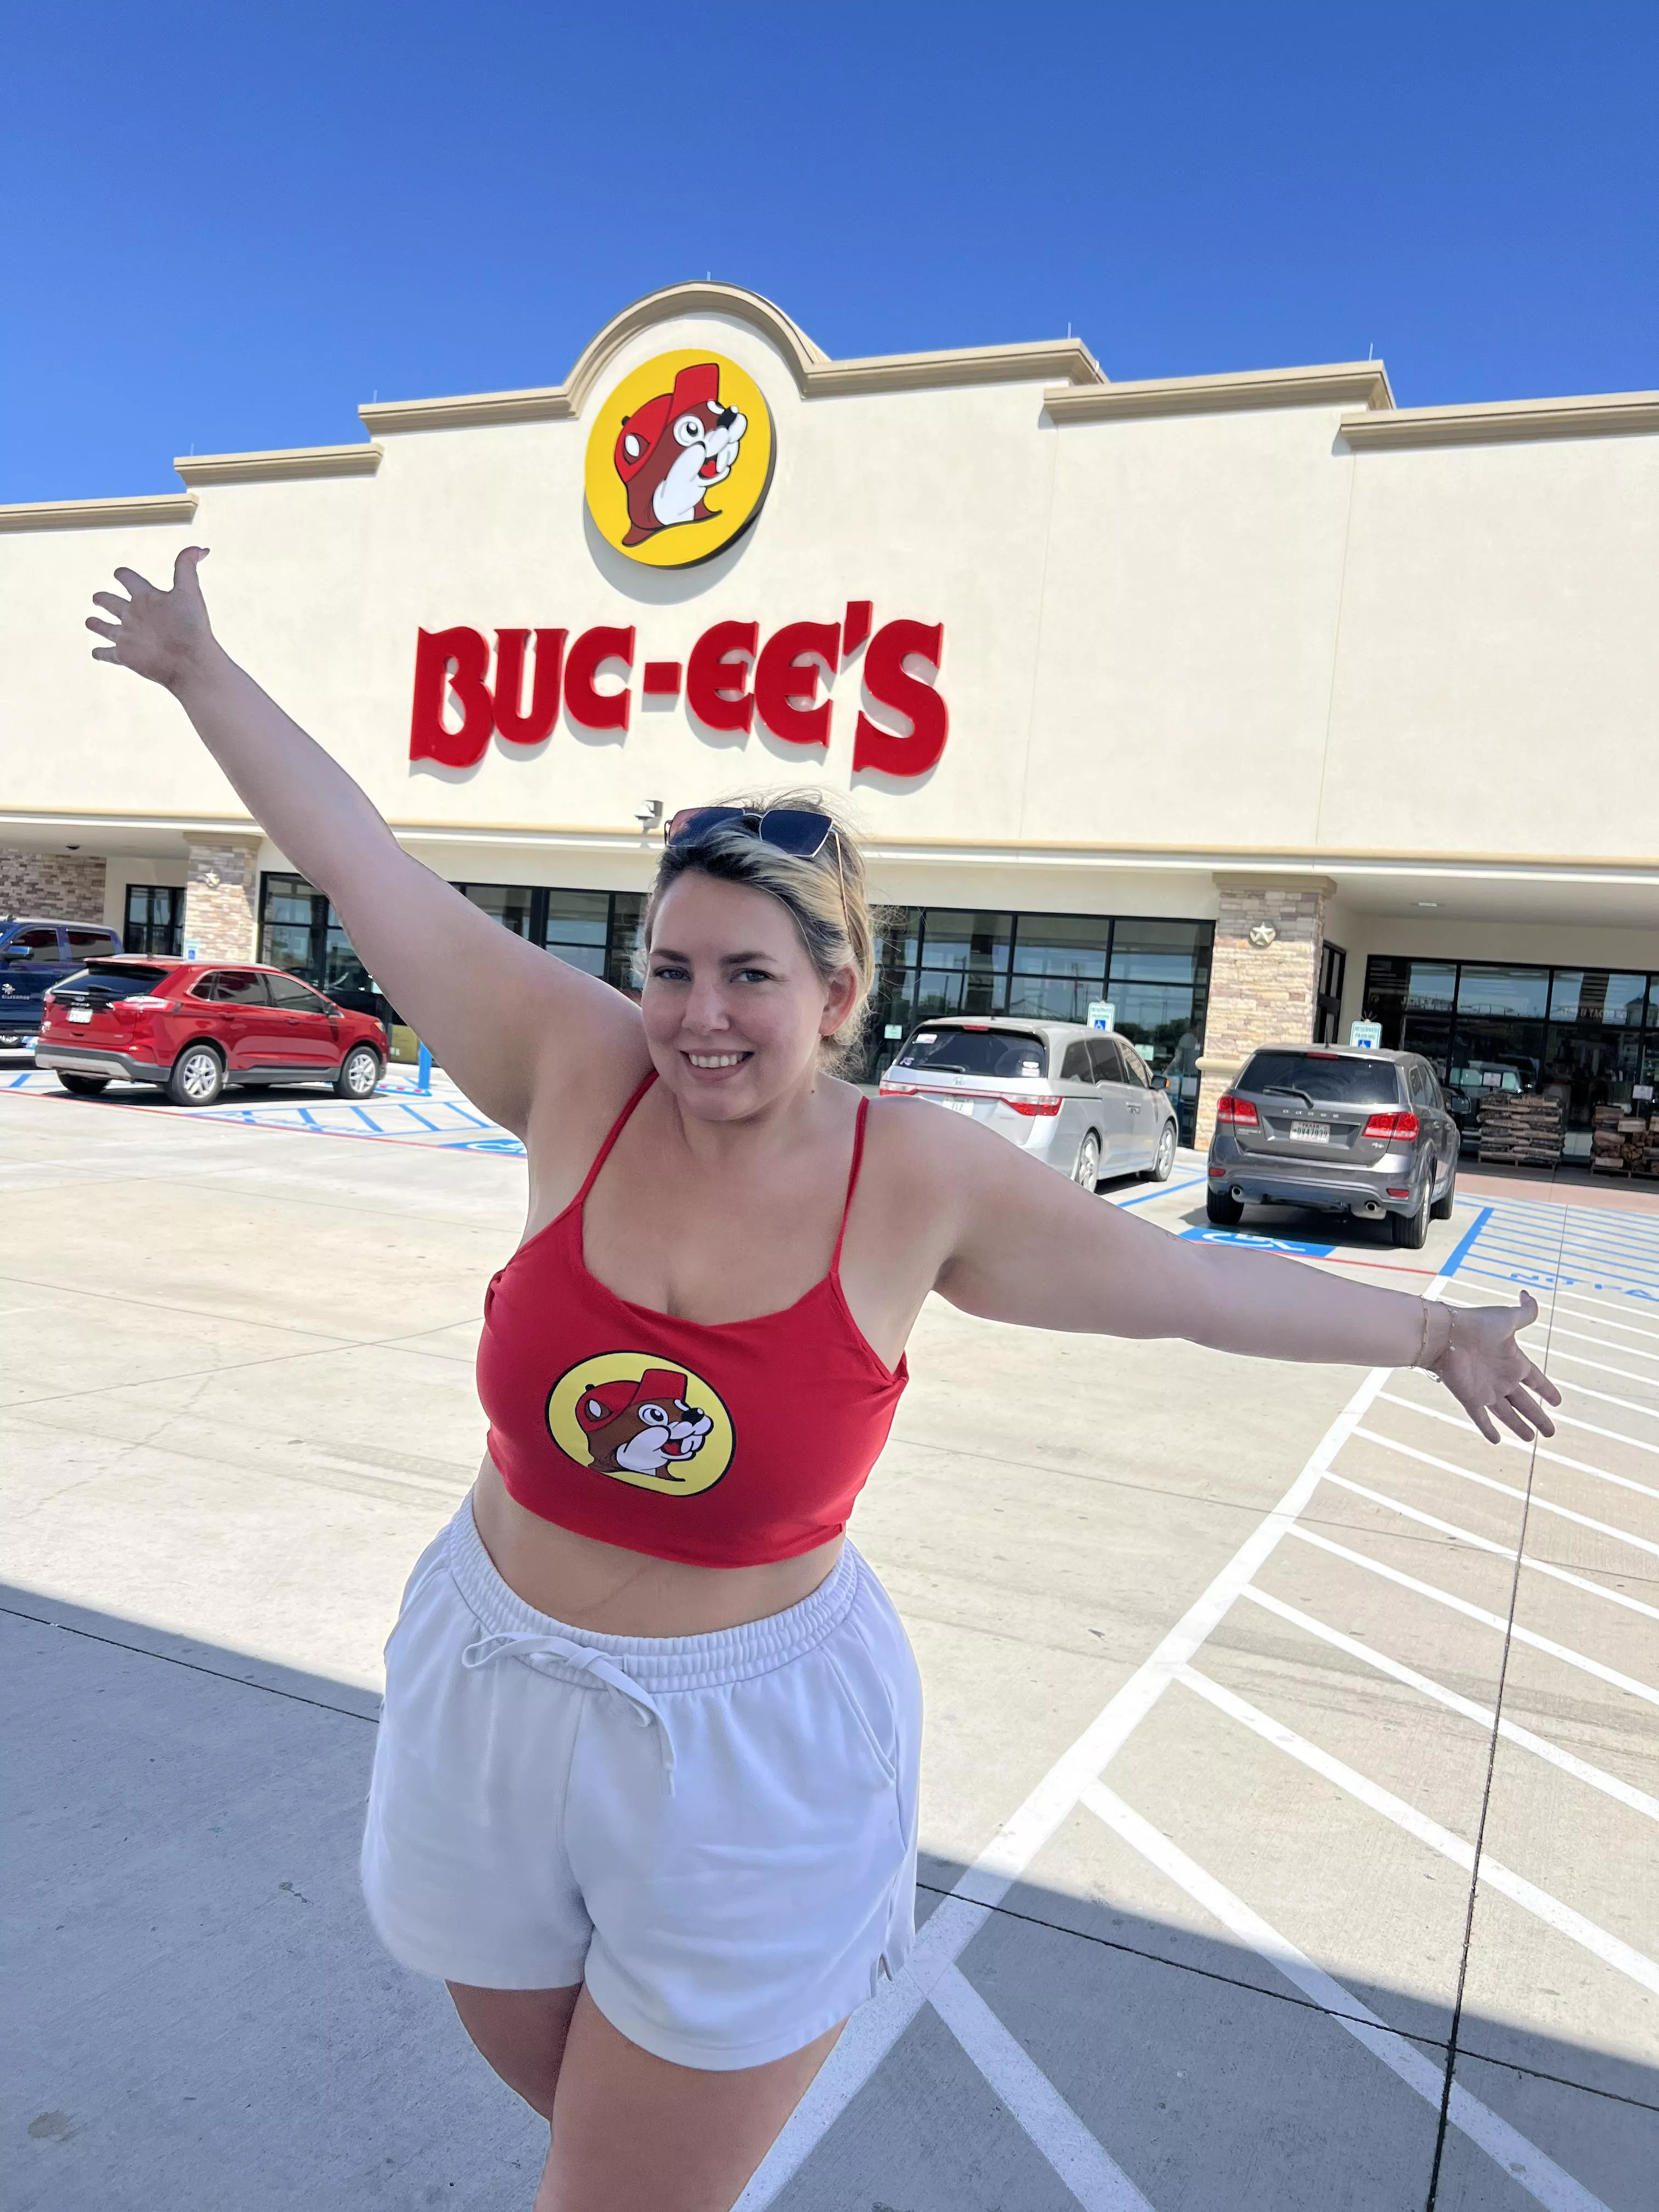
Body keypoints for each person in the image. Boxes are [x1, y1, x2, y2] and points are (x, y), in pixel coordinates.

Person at [87, 550, 1561, 2212]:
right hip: (486, 1680)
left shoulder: (920, 1180)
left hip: (744, 1750)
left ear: (840, 995)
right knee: (566, 2096)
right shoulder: (575, 1069)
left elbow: (1188, 1287)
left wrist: (1431, 1333)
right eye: (671, 968)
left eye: (749, 978)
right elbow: (365, 866)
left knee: (618, 2192)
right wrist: (201, 670)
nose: (698, 1018)